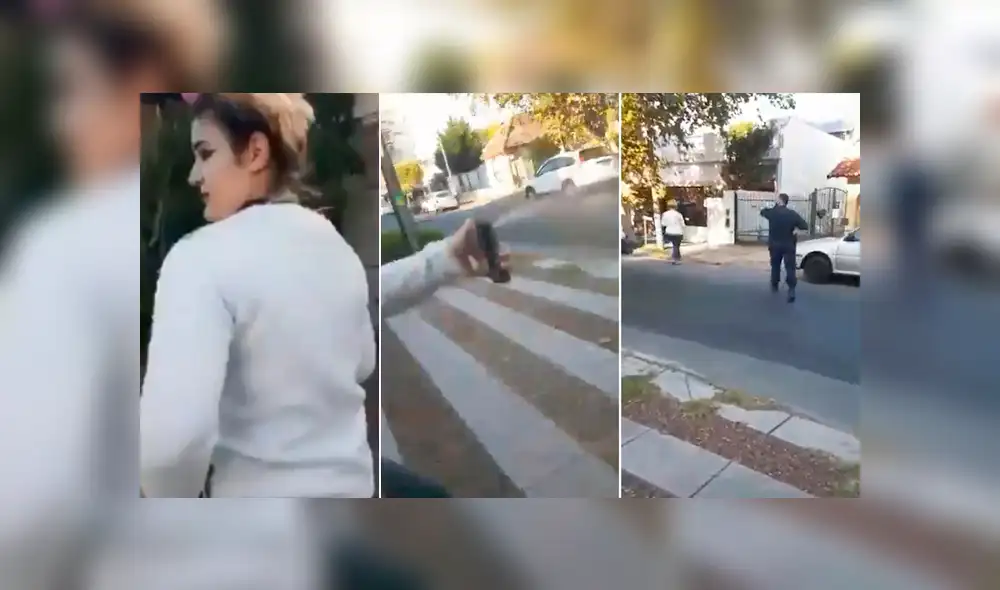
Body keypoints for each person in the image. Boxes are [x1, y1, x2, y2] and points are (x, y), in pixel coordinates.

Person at [760, 193, 808, 302]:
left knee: (775, 266)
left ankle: (774, 285)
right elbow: (805, 226)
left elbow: (762, 212)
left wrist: (774, 206)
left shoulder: (772, 213)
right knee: (790, 268)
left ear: (779, 201)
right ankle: (791, 289)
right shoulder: (792, 214)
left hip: (775, 245)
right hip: (789, 245)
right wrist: (796, 231)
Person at [660, 200, 686, 264]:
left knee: (675, 246)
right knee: (676, 246)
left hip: (669, 232)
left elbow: (663, 224)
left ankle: (677, 258)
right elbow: (683, 224)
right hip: (678, 232)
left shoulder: (665, 214)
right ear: (676, 206)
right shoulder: (679, 214)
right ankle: (675, 259)